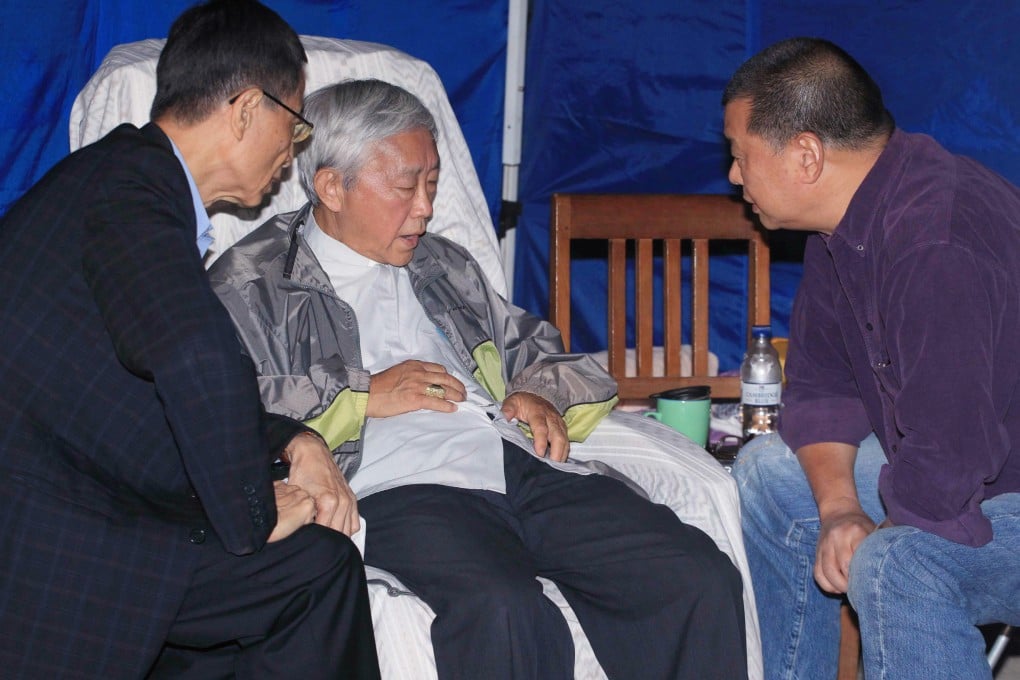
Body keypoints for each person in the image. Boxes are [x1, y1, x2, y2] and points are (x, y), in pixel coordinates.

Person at [209, 78, 748, 680]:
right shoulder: (250, 283)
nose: (425, 208)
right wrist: (362, 394)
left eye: (432, 184)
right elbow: (226, 408)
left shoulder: (443, 263)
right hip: (401, 484)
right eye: (405, 185)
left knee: (694, 576)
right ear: (332, 186)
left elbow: (548, 355)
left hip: (516, 463)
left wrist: (537, 394)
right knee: (505, 610)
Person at [0, 2, 381, 678]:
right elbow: (193, 357)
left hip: (75, 493)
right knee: (315, 570)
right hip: (55, 540)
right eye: (293, 127)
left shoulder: (115, 180)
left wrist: (296, 439)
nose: (291, 158)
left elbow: (161, 383)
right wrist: (254, 511)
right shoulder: (133, 189)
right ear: (243, 110)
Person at [723, 37, 1020, 679]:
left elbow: (950, 458)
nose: (734, 176)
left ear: (806, 154)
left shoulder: (937, 241)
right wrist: (839, 511)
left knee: (895, 566)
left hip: (1001, 483)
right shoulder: (846, 226)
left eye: (740, 155)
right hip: (973, 465)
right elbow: (823, 388)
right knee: (767, 476)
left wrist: (876, 534)